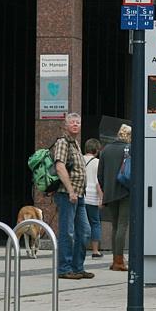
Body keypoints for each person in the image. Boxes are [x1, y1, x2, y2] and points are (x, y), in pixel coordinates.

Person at [52, 113, 91, 279]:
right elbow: (60, 168)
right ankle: (64, 268)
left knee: (84, 231)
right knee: (67, 232)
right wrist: (70, 190)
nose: (75, 125)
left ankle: (77, 267)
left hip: (79, 194)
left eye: (78, 122)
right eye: (72, 122)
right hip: (67, 194)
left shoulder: (75, 144)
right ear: (65, 126)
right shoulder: (63, 142)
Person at [98, 124, 131, 272]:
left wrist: (106, 189)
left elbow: (100, 175)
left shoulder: (106, 150)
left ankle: (114, 259)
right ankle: (119, 261)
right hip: (125, 191)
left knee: (115, 225)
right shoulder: (130, 149)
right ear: (129, 136)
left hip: (110, 193)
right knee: (123, 225)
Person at [82, 137, 104, 259]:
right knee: (95, 223)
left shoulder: (79, 159)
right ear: (97, 150)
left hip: (81, 195)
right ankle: (95, 251)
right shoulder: (97, 162)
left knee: (80, 223)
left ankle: (81, 248)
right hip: (93, 197)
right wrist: (101, 198)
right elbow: (98, 182)